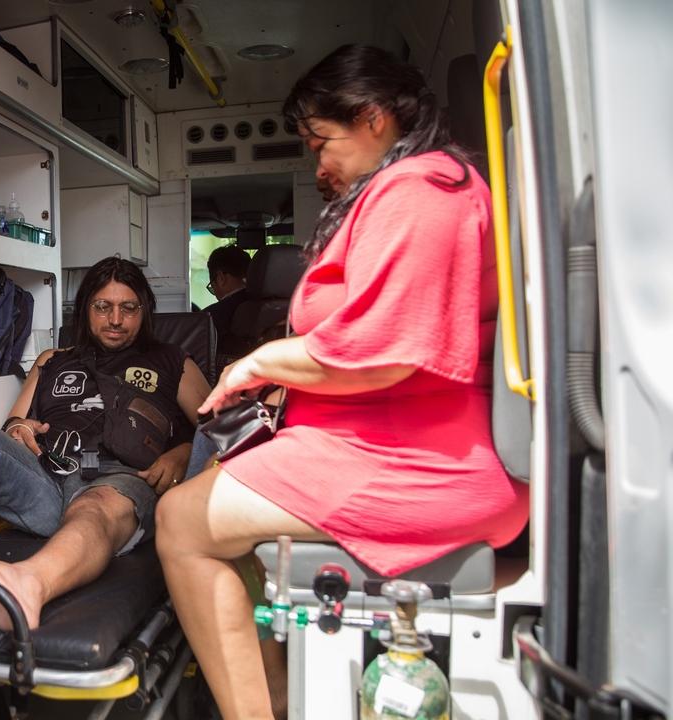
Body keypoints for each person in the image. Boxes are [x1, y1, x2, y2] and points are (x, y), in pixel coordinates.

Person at [155, 44, 529, 720]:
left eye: (322, 140)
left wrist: (261, 364)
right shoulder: (416, 187)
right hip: (386, 441)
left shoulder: (422, 191)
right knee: (211, 493)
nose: (317, 161)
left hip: (414, 462)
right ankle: (275, 690)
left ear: (374, 118)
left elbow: (385, 355)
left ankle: (259, 707)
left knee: (181, 521)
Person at [0, 257, 211, 630]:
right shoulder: (53, 360)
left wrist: (183, 453)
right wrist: (20, 428)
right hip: (47, 476)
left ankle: (27, 587)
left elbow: (215, 428)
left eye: (128, 308)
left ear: (144, 311)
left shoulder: (173, 362)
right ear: (86, 309)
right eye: (103, 307)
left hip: (120, 480)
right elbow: (14, 423)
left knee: (93, 505)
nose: (115, 319)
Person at [203, 245, 253, 342]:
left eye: (212, 287)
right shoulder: (280, 309)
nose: (216, 296)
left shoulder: (208, 318)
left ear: (221, 278)